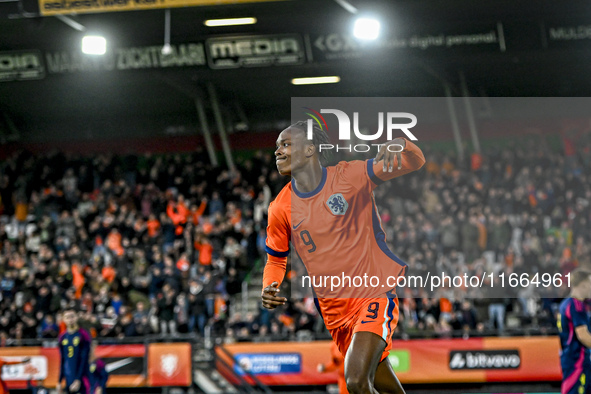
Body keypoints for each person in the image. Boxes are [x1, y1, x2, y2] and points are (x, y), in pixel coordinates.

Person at [262, 121, 425, 394]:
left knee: (356, 382)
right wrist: (270, 284)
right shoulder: (280, 207)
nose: (277, 151)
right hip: (335, 314)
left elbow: (414, 161)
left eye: (286, 144)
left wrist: (401, 144)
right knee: (385, 389)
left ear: (310, 149)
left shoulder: (350, 175)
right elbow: (276, 259)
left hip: (372, 293)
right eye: (277, 146)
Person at [558, 269, 591, 394]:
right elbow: (582, 335)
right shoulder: (576, 305)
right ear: (583, 284)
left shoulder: (565, 304)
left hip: (570, 359)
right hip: (578, 361)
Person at [57, 308, 91, 394]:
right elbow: (63, 360)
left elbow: (84, 359)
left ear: (76, 317)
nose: (70, 320)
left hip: (82, 378)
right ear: (63, 319)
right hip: (69, 379)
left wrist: (78, 379)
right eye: (67, 317)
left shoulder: (83, 335)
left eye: (72, 316)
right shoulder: (62, 337)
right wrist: (60, 381)